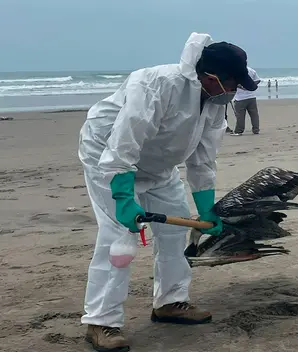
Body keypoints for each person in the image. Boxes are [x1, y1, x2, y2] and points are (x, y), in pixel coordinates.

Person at [77, 32, 258, 352]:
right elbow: (123, 146)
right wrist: (123, 198)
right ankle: (101, 321)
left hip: (159, 168)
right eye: (231, 82)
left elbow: (203, 158)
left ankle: (170, 302)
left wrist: (206, 208)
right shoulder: (156, 85)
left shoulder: (216, 101)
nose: (233, 90)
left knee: (175, 234)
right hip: (107, 159)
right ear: (210, 75)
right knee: (120, 238)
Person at [230, 66, 261, 136]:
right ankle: (256, 130)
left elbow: (232, 82)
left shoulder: (236, 70)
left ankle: (239, 131)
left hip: (240, 98)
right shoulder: (251, 70)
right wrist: (251, 85)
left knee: (240, 115)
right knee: (254, 114)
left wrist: (240, 86)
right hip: (251, 96)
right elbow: (258, 80)